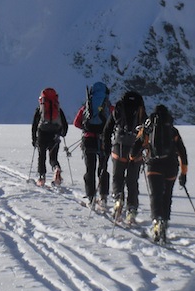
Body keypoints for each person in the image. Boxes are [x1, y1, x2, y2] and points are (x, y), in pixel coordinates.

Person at [131, 104, 188, 243]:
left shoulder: (148, 130)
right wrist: (183, 173)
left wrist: (134, 158)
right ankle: (165, 223)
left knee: (155, 195)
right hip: (171, 167)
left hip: (154, 166)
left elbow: (134, 150)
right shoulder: (173, 131)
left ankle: (156, 222)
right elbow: (182, 153)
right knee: (167, 195)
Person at [102, 90, 146, 224]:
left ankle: (118, 200)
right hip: (136, 149)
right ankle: (132, 209)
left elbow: (107, 129)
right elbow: (147, 130)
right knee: (132, 180)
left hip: (119, 147)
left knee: (117, 177)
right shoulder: (141, 111)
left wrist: (106, 147)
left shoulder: (119, 109)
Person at [72, 81, 111, 209]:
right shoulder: (108, 106)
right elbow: (114, 121)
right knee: (103, 168)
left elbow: (76, 123)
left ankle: (91, 198)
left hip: (88, 140)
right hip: (104, 141)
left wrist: (86, 128)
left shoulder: (87, 106)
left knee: (90, 169)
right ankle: (103, 197)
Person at [32, 87, 68, 186]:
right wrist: (62, 133)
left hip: (42, 134)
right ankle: (56, 168)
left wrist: (34, 139)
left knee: (42, 156)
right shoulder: (58, 108)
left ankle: (41, 178)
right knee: (53, 157)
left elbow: (34, 125)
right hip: (55, 134)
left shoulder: (40, 109)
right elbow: (65, 124)